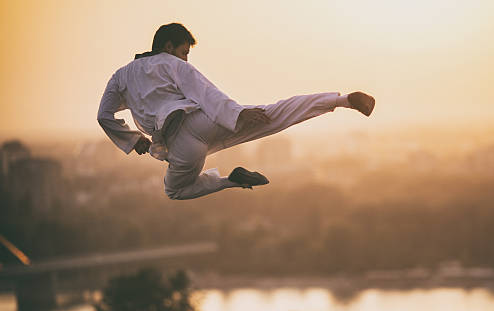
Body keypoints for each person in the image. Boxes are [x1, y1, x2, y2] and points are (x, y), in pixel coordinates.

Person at [97, 23, 375, 200]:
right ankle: (343, 100)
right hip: (203, 121)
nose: (184, 58)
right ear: (168, 47)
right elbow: (204, 90)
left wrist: (134, 141)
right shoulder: (170, 63)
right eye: (184, 52)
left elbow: (104, 115)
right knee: (274, 114)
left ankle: (232, 181)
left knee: (175, 191)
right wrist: (236, 114)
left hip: (179, 145)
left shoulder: (120, 77)